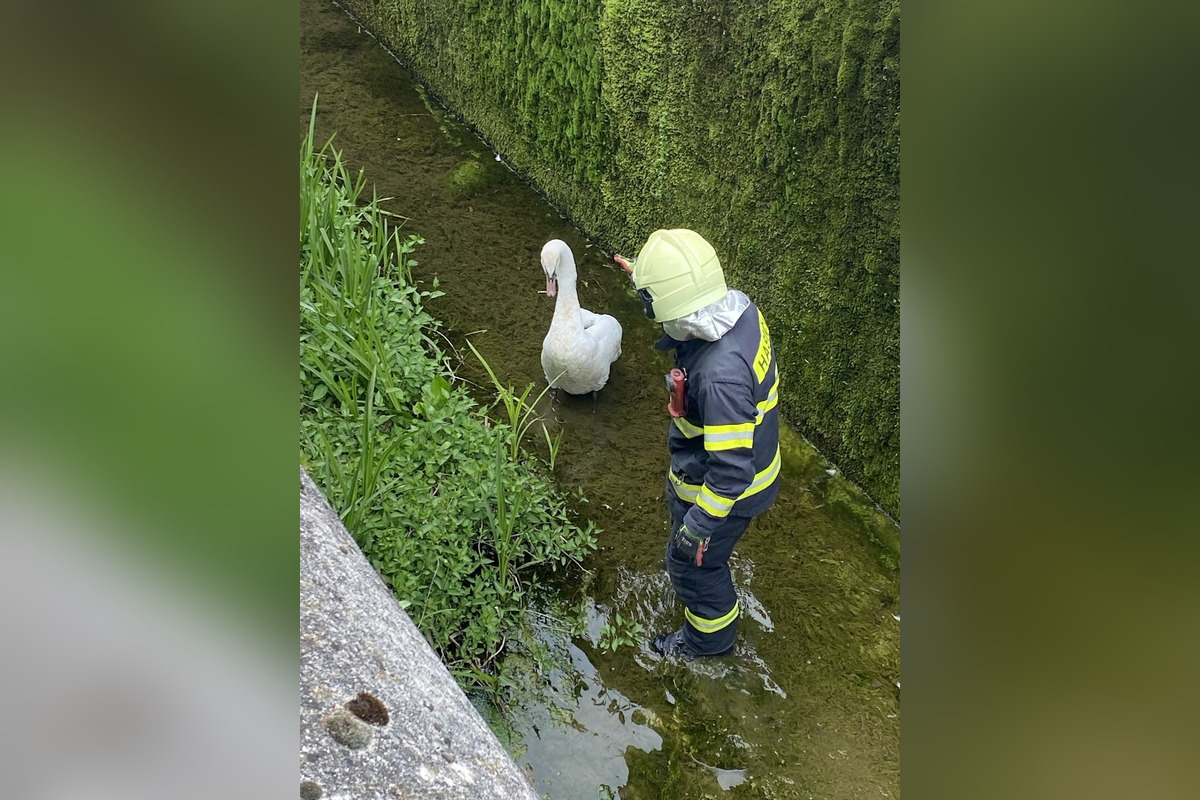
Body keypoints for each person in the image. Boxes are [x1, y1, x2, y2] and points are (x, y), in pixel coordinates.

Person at [615, 229, 781, 658]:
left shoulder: (720, 379)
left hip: (728, 490)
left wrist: (696, 529)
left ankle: (708, 644)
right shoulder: (738, 310)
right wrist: (649, 281)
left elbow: (730, 472)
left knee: (693, 568)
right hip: (752, 460)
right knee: (692, 556)